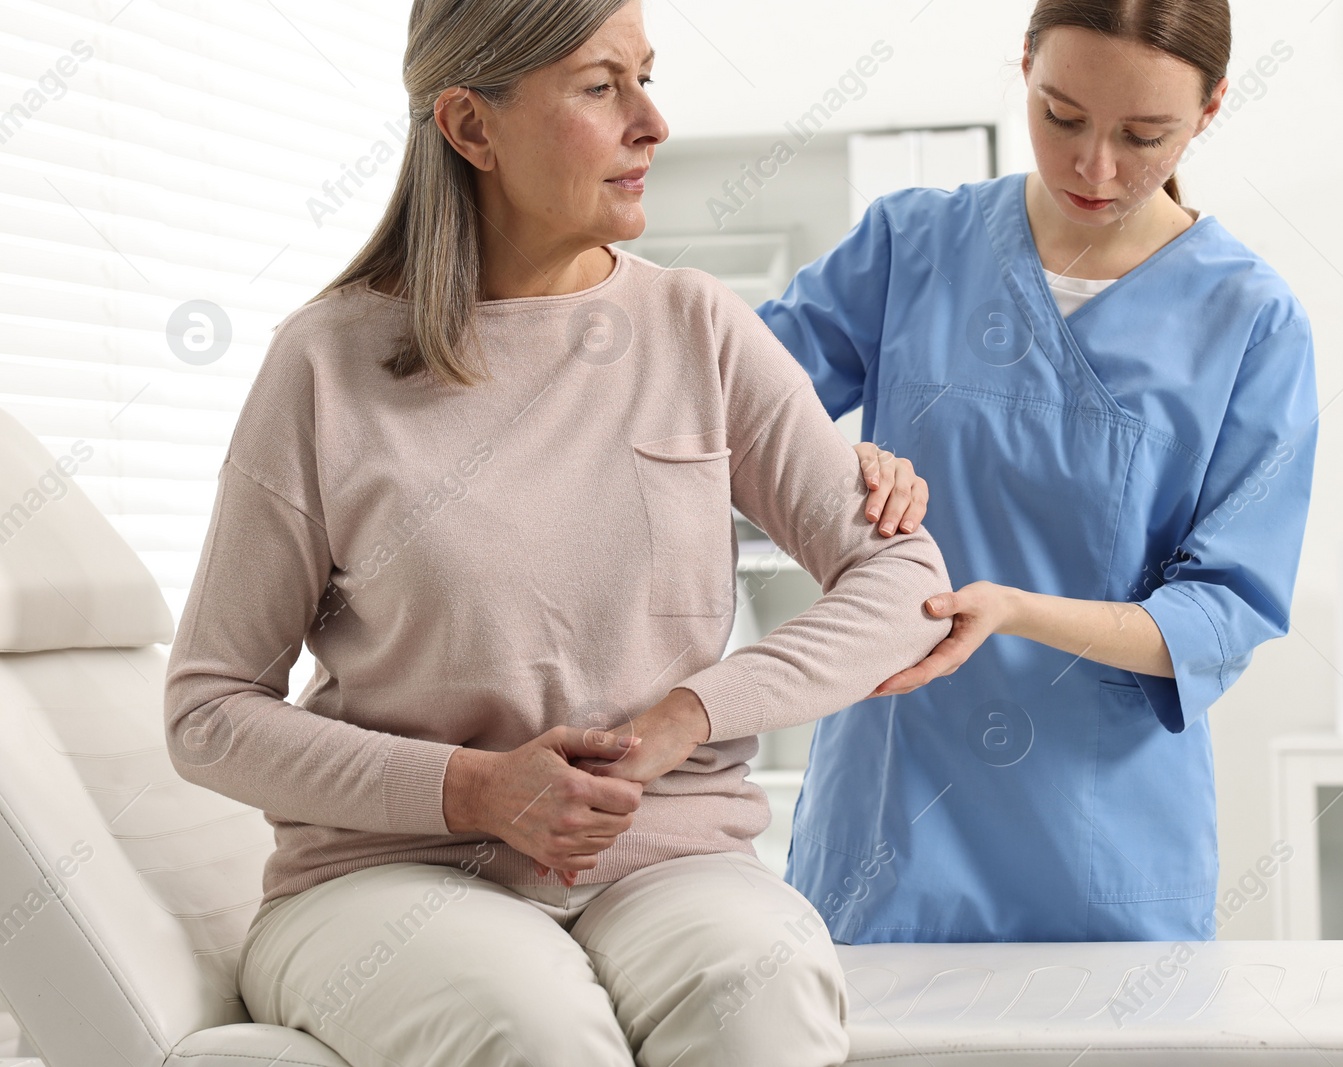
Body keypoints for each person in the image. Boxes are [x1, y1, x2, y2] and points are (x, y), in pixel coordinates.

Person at [162, 1, 953, 1064]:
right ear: (469, 127)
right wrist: (471, 787)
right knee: (527, 1024)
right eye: (599, 86)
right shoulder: (323, 363)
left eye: (647, 76)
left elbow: (904, 575)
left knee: (756, 993)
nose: (652, 122)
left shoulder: (697, 328)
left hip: (669, 859)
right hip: (391, 876)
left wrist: (687, 713)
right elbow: (208, 709)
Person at [757, 0, 1319, 945]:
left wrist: (1015, 611)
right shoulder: (911, 248)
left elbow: (1225, 607)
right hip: (888, 813)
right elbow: (729, 418)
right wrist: (839, 462)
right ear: (1023, 65)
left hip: (1101, 840)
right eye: (1062, 117)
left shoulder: (1250, 320)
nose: (1095, 168)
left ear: (1212, 108)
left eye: (1145, 136)